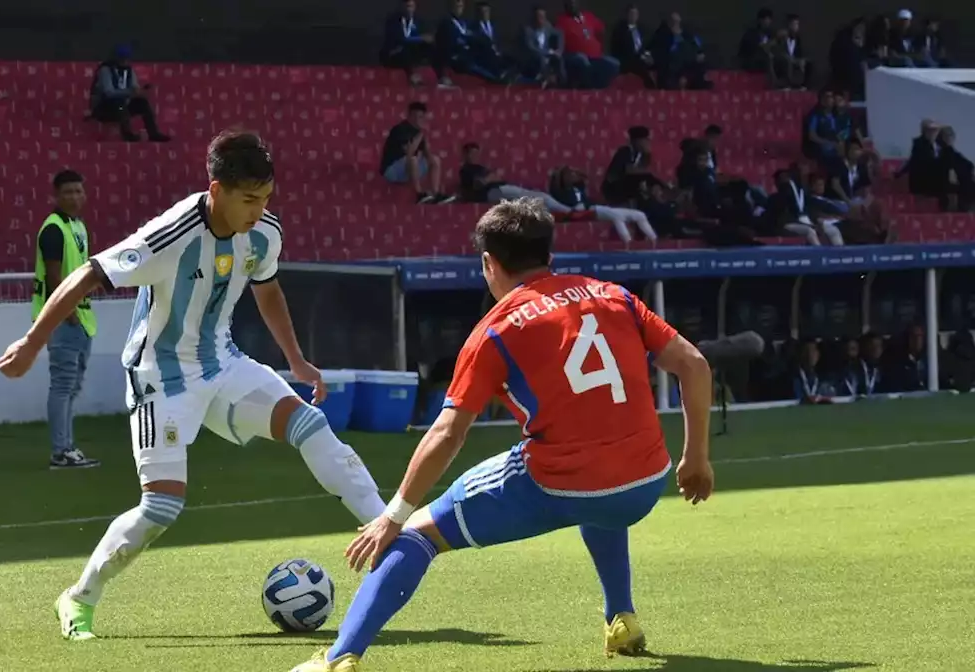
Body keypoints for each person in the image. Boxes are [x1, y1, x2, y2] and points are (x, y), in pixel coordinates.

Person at [290, 197, 715, 672]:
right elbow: (694, 365)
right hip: (645, 484)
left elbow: (448, 433)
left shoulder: (494, 332)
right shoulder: (615, 296)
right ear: (549, 256)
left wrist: (394, 514)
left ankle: (339, 657)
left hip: (563, 484)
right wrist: (695, 457)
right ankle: (622, 618)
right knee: (601, 492)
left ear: (489, 263)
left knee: (418, 536)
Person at [0, 130, 387, 641]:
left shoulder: (264, 232)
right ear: (216, 189)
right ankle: (78, 598)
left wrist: (296, 360)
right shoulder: (171, 233)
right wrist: (31, 342)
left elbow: (267, 290)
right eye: (249, 199)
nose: (259, 209)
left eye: (266, 197)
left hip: (222, 363)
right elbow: (89, 275)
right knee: (161, 507)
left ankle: (392, 538)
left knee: (310, 424)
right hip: (160, 378)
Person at [35, 170, 101, 469]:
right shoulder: (53, 229)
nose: (74, 197)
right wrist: (68, 311)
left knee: (71, 387)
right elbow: (53, 274)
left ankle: (67, 446)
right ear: (56, 196)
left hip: (81, 317)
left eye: (78, 191)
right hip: (65, 318)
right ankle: (61, 450)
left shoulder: (77, 226)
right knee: (63, 385)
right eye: (68, 192)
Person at [88, 46, 171, 142]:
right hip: (105, 107)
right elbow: (108, 92)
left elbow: (134, 86)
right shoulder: (105, 70)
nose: (125, 61)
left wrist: (139, 91)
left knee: (142, 103)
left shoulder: (129, 71)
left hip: (124, 104)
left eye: (126, 59)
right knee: (119, 105)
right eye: (122, 59)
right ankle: (128, 135)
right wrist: (129, 92)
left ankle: (153, 134)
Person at [380, 102, 455, 204]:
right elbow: (409, 152)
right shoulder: (400, 129)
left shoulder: (419, 132)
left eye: (421, 117)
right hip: (392, 170)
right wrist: (421, 134)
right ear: (410, 115)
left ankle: (436, 194)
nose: (419, 120)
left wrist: (427, 147)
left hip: (408, 169)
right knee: (413, 159)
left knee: (435, 160)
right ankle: (419, 194)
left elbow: (427, 155)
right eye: (416, 116)